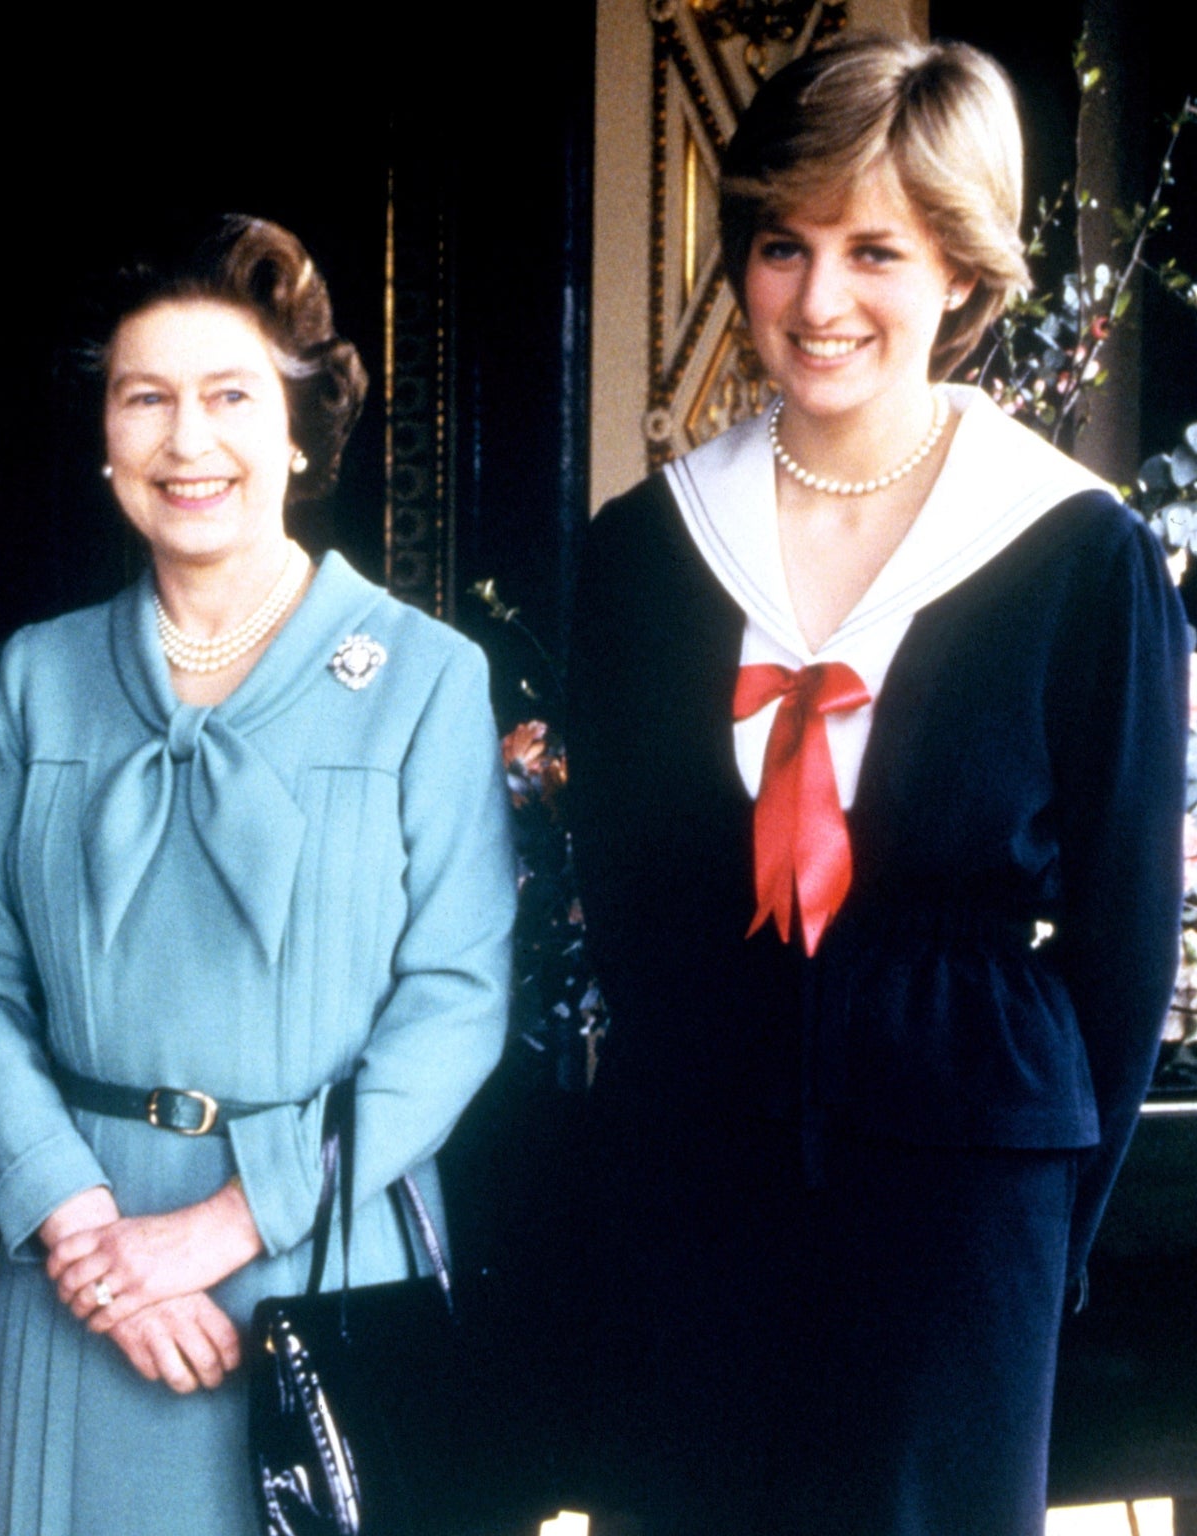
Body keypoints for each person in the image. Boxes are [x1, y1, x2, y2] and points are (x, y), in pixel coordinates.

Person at [566, 34, 1188, 1536]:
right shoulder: (647, 553)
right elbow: (630, 910)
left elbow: (1120, 944)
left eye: (874, 250)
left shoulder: (1077, 555)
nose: (818, 300)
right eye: (783, 245)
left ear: (964, 272)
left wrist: (1047, 1225)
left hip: (967, 1198)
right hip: (701, 1180)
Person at [0, 214, 516, 1535]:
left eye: (231, 396)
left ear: (302, 431)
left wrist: (220, 1229)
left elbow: (459, 999)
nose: (189, 441)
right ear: (106, 442)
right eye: (147, 400)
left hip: (319, 1261)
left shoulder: (425, 680)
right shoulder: (37, 676)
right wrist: (89, 1242)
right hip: (73, 1254)